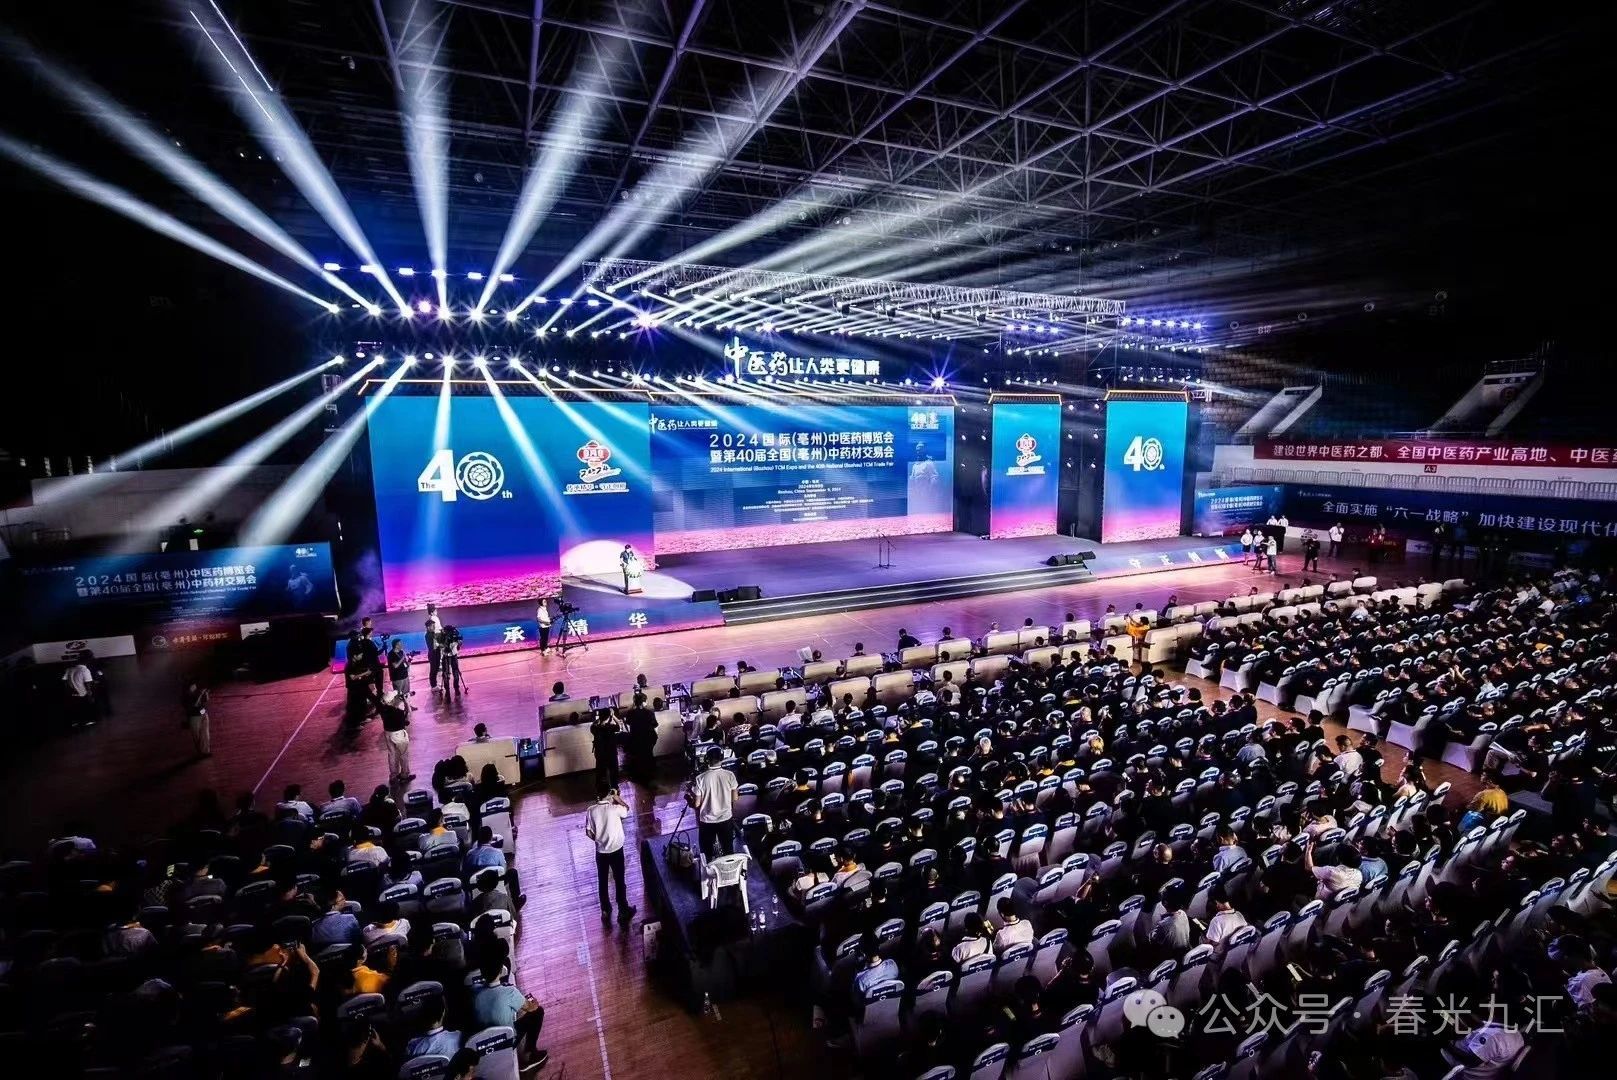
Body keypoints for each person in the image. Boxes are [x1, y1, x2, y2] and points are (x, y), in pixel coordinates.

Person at [472, 956, 550, 1072]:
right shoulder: (509, 992)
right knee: (538, 1012)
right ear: (501, 971)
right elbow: (531, 1008)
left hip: (483, 1043)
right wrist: (533, 1003)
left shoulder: (475, 992)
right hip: (506, 1041)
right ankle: (530, 1054)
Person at [585, 781, 636, 926]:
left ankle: (605, 910)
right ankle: (623, 910)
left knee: (602, 881)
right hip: (616, 850)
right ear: (609, 793)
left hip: (601, 852)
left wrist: (599, 840)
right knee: (619, 880)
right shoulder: (615, 809)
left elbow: (588, 832)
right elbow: (627, 809)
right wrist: (618, 798)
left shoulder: (591, 810)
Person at [690, 747, 739, 857]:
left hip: (707, 822)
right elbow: (735, 798)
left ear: (707, 759)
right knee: (728, 851)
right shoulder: (730, 775)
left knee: (706, 853)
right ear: (722, 758)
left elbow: (697, 804)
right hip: (726, 819)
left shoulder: (700, 778)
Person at [379, 690, 413, 784]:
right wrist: (406, 702)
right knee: (403, 754)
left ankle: (393, 776)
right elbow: (408, 718)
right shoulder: (398, 712)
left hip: (388, 733)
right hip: (398, 734)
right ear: (391, 701)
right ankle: (404, 775)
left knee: (392, 755)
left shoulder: (383, 709)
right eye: (394, 698)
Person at [591, 711, 623, 788]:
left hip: (600, 753)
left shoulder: (595, 728)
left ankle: (600, 786)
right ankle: (614, 787)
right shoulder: (610, 727)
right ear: (608, 717)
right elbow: (619, 725)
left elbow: (593, 725)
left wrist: (600, 718)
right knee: (613, 770)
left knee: (600, 770)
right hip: (611, 753)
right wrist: (613, 716)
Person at [63, 658, 97, 729]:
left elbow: (64, 681)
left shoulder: (69, 669)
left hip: (72, 693)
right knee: (85, 708)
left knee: (76, 709)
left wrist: (69, 689)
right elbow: (87, 683)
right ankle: (88, 722)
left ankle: (76, 723)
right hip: (82, 693)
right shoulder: (85, 670)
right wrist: (90, 695)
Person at [182, 678, 211, 757]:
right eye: (193, 685)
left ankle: (206, 752)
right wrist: (200, 695)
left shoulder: (196, 693)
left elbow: (205, 701)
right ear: (189, 687)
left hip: (203, 713)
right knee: (197, 736)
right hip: (194, 717)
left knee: (205, 734)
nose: (195, 687)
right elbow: (194, 705)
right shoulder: (186, 696)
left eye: (195, 685)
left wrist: (206, 694)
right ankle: (201, 752)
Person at [424, 603, 443, 691]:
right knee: (433, 669)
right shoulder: (429, 635)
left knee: (435, 668)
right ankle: (433, 685)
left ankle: (434, 684)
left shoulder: (432, 633)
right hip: (433, 654)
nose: (434, 627)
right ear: (428, 627)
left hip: (436, 652)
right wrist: (440, 644)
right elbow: (434, 645)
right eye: (432, 626)